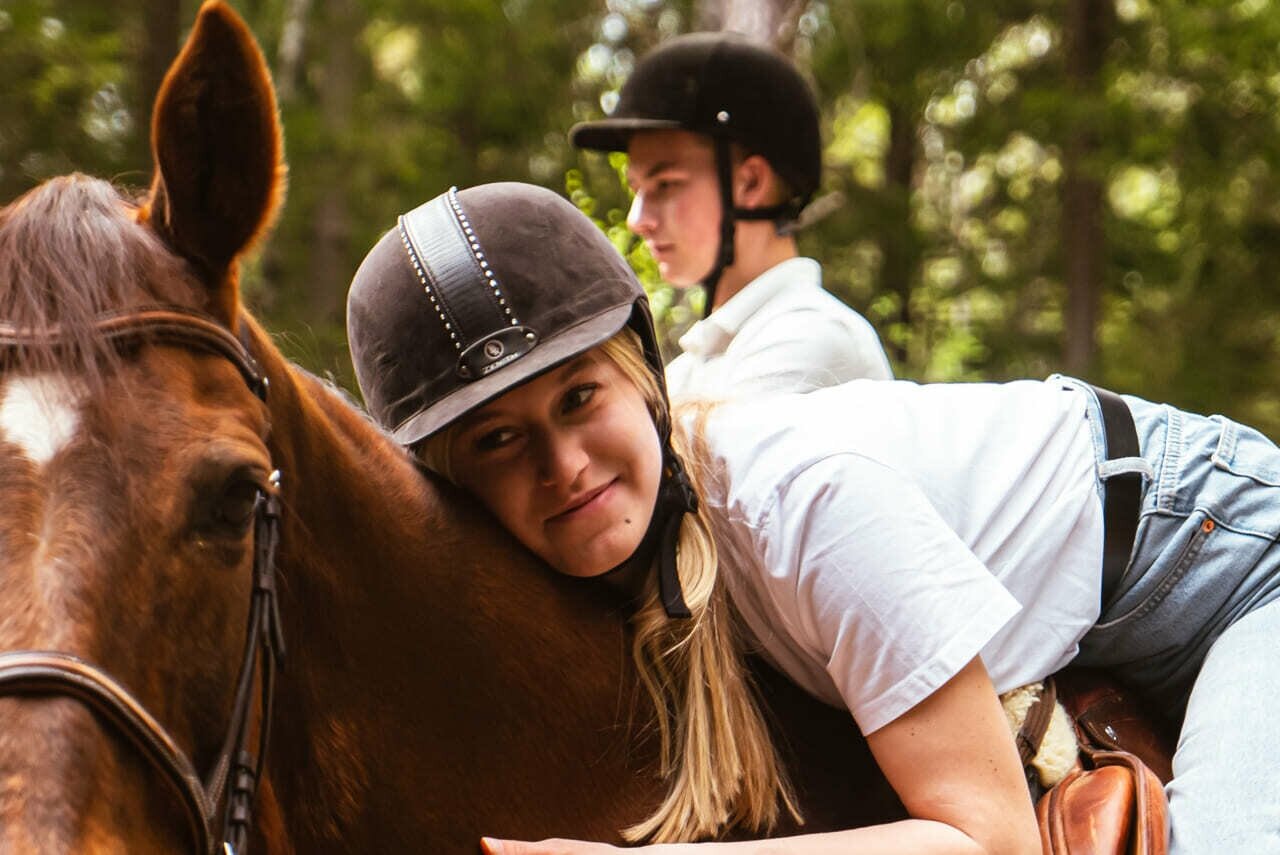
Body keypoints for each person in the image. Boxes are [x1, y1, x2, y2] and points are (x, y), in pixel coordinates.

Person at [347, 181, 1280, 855]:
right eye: (499, 443)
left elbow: (987, 835)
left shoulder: (801, 504)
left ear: (642, 376)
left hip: (1223, 557)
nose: (565, 466)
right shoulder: (627, 558)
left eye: (580, 397)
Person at [569, 32, 893, 397]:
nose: (636, 219)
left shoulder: (811, 338)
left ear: (751, 183)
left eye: (665, 185)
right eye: (636, 189)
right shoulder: (703, 360)